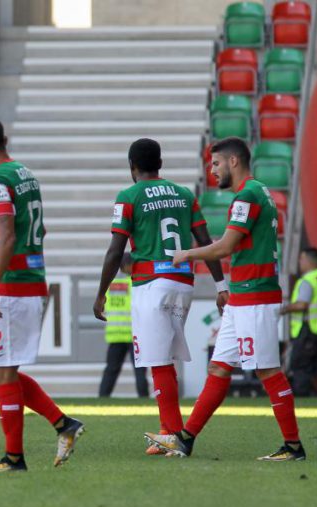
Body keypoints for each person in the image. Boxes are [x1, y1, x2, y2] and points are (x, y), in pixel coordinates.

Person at [147, 137, 306, 462]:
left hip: (255, 298)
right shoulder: (259, 191)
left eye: (216, 163)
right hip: (242, 298)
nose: (212, 169)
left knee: (268, 372)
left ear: (234, 161)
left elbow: (226, 246)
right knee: (219, 369)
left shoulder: (247, 196)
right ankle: (186, 440)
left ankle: (293, 446)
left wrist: (187, 253)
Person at [93, 138, 228, 455]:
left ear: (132, 166)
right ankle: (168, 431)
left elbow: (115, 251)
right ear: (161, 164)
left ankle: (174, 436)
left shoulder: (128, 196)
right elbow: (206, 240)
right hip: (184, 282)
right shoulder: (184, 194)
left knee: (158, 361)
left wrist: (101, 294)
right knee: (164, 359)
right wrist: (222, 286)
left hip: (153, 284)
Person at [0, 117, 84, 473]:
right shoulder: (26, 174)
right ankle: (62, 423)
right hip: (30, 278)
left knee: (3, 372)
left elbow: (6, 235)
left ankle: (14, 458)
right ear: (4, 140)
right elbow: (41, 228)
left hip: (13, 285)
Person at [282, 247, 317, 397]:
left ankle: (302, 398)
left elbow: (302, 305)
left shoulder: (307, 281)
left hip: (309, 330)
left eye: (301, 259)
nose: (300, 262)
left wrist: (283, 309)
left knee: (300, 365)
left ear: (306, 260)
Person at [98, 253, 150, 399]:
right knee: (140, 370)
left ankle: (103, 398)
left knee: (111, 370)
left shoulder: (110, 284)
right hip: (134, 334)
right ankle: (144, 398)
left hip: (115, 333)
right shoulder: (135, 283)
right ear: (127, 265)